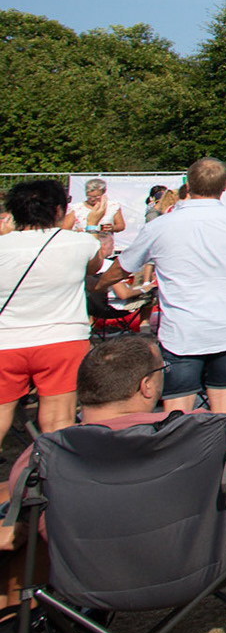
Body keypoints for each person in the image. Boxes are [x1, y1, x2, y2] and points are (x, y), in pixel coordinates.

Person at [5, 334, 226, 545]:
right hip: (196, 563)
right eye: (161, 371)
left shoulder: (42, 455)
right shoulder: (198, 431)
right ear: (146, 386)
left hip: (89, 575)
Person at [113, 158, 226, 416]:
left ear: (187, 185)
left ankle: (185, 441)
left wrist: (99, 283)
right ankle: (225, 442)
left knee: (179, 403)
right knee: (225, 398)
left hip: (183, 329)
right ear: (225, 186)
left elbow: (123, 266)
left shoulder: (160, 225)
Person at [0, 180, 120, 443]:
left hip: (6, 341)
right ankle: (55, 466)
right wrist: (92, 224)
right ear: (58, 210)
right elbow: (94, 266)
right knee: (58, 419)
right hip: (62, 340)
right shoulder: (78, 243)